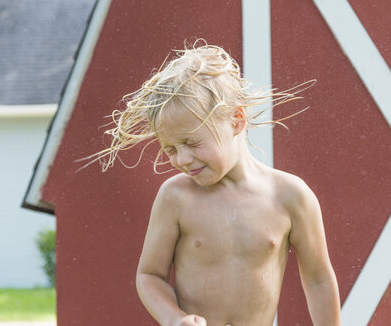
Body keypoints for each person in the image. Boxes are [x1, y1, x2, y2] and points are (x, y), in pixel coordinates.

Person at [77, 39, 341, 326]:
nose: (183, 159)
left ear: (236, 120)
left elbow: (318, 280)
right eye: (171, 149)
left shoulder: (290, 197)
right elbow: (150, 275)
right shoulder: (176, 198)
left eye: (192, 142)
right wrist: (175, 319)